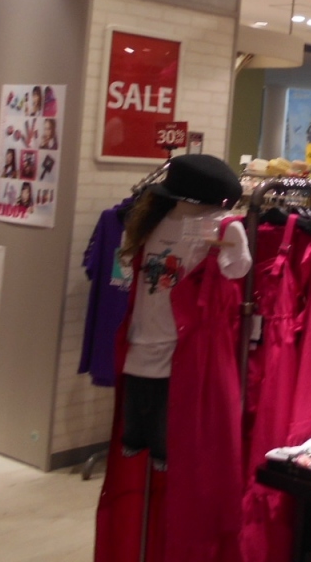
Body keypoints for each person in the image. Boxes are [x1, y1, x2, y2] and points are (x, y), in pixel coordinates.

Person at [115, 154, 251, 468]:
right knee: (134, 441)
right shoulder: (151, 220)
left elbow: (237, 268)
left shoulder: (221, 227)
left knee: (168, 450)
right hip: (139, 344)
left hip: (183, 353)